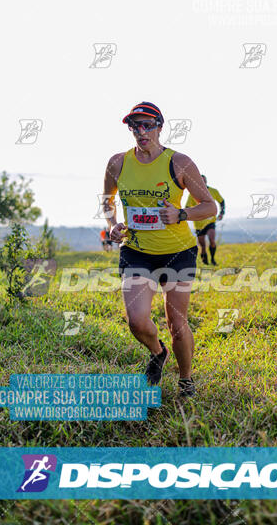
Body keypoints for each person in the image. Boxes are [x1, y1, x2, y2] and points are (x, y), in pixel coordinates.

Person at [103, 101, 216, 397]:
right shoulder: (118, 163)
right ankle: (158, 353)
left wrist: (180, 214)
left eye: (147, 125)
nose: (141, 131)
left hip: (177, 251)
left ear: (160, 127)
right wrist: (113, 223)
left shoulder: (179, 163)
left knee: (176, 323)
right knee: (136, 320)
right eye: (135, 125)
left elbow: (208, 206)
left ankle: (186, 380)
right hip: (137, 250)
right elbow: (106, 199)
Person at [185, 175, 225, 265]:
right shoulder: (192, 194)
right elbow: (187, 207)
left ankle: (213, 260)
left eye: (204, 181)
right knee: (202, 246)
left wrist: (222, 213)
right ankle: (206, 264)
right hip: (198, 224)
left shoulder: (213, 191)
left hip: (210, 221)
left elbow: (221, 201)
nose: (202, 183)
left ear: (206, 182)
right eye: (200, 181)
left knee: (212, 240)